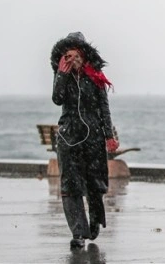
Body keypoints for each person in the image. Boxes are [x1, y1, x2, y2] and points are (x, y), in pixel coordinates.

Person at [50, 32, 119, 249]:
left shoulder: (95, 75)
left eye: (75, 53)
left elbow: (104, 108)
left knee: (95, 182)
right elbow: (57, 99)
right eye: (67, 55)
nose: (71, 58)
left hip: (93, 136)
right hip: (69, 135)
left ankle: (96, 220)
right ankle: (78, 233)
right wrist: (62, 75)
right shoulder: (62, 74)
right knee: (70, 185)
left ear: (82, 53)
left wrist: (109, 135)